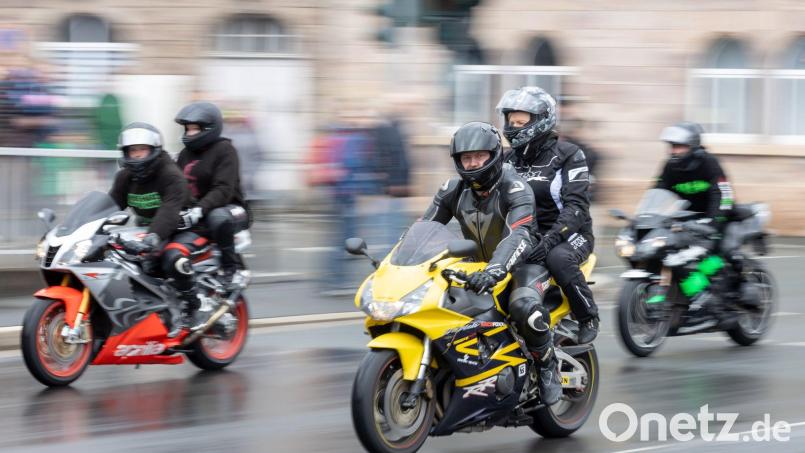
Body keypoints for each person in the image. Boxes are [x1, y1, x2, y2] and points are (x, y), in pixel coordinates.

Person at [421, 121, 562, 405]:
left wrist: (495, 269)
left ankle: (547, 365)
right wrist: (396, 263)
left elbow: (519, 234)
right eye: (466, 158)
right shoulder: (452, 189)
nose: (473, 163)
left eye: (479, 156)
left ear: (494, 155)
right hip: (478, 267)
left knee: (523, 308)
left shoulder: (515, 188)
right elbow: (424, 229)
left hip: (525, 264)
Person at [496, 86, 599, 344]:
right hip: (525, 235)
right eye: (511, 121)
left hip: (570, 235)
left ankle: (587, 314)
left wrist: (550, 240)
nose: (514, 127)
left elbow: (577, 208)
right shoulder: (508, 160)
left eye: (521, 122)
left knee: (558, 259)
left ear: (541, 121)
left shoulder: (569, 155)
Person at [108, 122, 202, 336]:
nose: (137, 154)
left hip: (183, 228)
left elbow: (169, 211)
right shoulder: (124, 177)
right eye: (132, 150)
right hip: (149, 230)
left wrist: (154, 236)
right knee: (123, 259)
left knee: (172, 258)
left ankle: (192, 307)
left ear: (154, 150)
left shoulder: (170, 174)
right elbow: (110, 206)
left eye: (142, 149)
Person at [655, 121, 738, 307]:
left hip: (717, 217)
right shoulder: (670, 167)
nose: (674, 151)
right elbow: (657, 192)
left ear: (692, 146)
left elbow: (723, 194)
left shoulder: (709, 163)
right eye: (672, 146)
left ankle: (724, 297)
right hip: (688, 219)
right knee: (676, 255)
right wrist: (653, 217)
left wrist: (714, 222)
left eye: (679, 146)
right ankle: (696, 294)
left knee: (718, 254)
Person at [174, 101, 251, 288]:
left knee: (217, 217)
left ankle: (232, 268)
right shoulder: (185, 154)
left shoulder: (225, 150)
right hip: (197, 210)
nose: (189, 133)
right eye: (187, 129)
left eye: (194, 129)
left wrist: (199, 209)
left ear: (209, 128)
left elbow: (223, 189)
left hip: (231, 209)